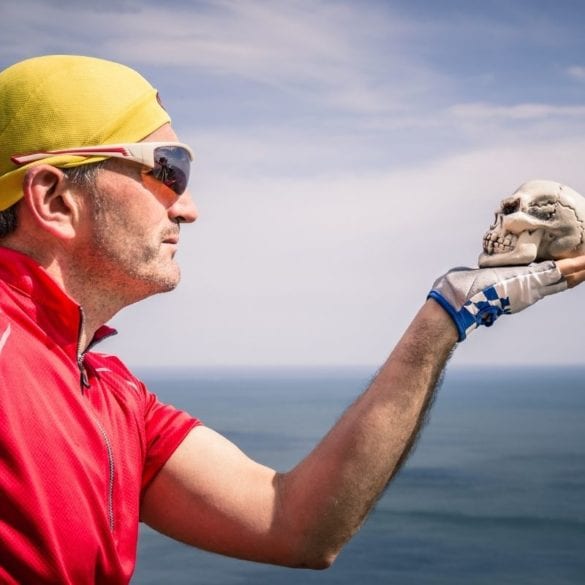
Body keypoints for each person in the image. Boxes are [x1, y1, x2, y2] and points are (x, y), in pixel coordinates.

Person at [0, 55, 583, 585]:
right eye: (166, 170)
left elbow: (293, 523)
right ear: (54, 199)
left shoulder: (112, 396)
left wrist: (444, 317)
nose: (188, 206)